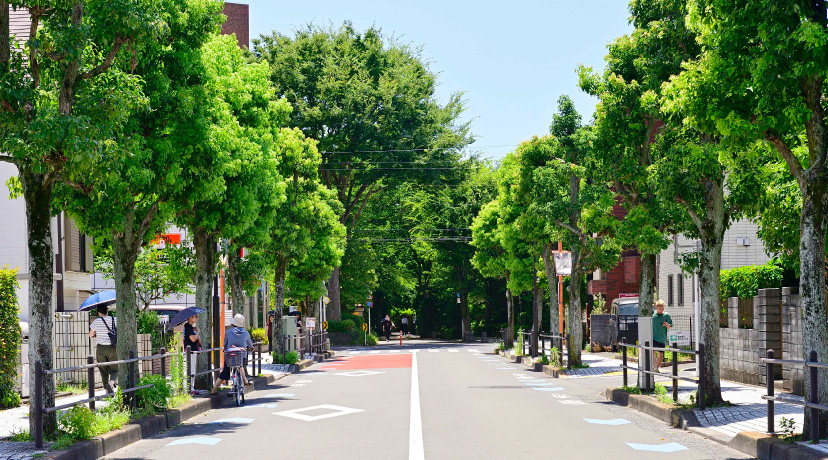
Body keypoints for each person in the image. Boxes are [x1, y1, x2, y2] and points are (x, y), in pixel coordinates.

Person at [211, 314, 254, 394]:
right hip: (241, 356)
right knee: (240, 364)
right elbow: (250, 344)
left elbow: (225, 344)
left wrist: (226, 349)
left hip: (230, 356)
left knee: (225, 372)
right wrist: (251, 348)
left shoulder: (228, 332)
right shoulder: (246, 333)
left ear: (233, 323)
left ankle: (214, 389)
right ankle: (245, 380)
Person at [89, 305, 118, 393]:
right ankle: (112, 382)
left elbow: (90, 335)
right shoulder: (114, 319)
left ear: (98, 312)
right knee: (115, 369)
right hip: (112, 347)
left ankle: (106, 390)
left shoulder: (96, 321)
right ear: (107, 310)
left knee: (103, 370)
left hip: (101, 348)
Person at [652, 299, 673, 369]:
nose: (661, 310)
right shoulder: (653, 314)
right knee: (653, 352)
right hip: (653, 337)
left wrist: (667, 325)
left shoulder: (666, 315)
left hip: (662, 338)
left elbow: (670, 326)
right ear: (656, 307)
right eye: (660, 309)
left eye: (662, 309)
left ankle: (657, 368)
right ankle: (654, 367)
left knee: (660, 354)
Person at [183, 315, 202, 392]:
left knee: (191, 369)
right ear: (190, 318)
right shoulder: (188, 327)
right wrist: (198, 332)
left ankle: (191, 387)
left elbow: (197, 339)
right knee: (191, 370)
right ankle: (190, 388)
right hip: (190, 351)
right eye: (196, 317)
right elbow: (193, 339)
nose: (197, 318)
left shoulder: (190, 327)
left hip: (192, 350)